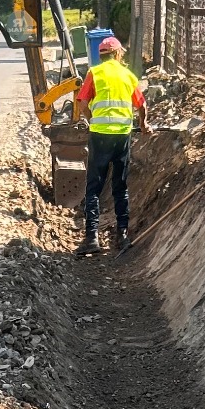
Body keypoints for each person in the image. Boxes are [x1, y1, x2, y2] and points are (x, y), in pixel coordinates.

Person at [75, 35, 148, 255]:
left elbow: (82, 103)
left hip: (100, 136)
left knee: (94, 187)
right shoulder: (128, 75)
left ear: (101, 56)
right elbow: (142, 106)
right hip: (122, 137)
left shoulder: (94, 73)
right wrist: (144, 125)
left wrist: (91, 118)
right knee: (120, 187)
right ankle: (123, 236)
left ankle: (91, 238)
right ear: (118, 54)